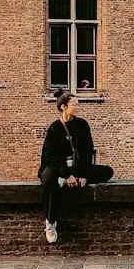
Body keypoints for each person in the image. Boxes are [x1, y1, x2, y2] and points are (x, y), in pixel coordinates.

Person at [38, 90, 114, 245]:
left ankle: (62, 182)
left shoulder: (82, 125)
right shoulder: (54, 129)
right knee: (47, 180)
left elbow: (87, 151)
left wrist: (81, 174)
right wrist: (67, 175)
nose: (76, 107)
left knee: (107, 172)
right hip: (58, 167)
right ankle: (50, 222)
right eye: (74, 104)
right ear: (64, 107)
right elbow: (51, 157)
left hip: (77, 167)